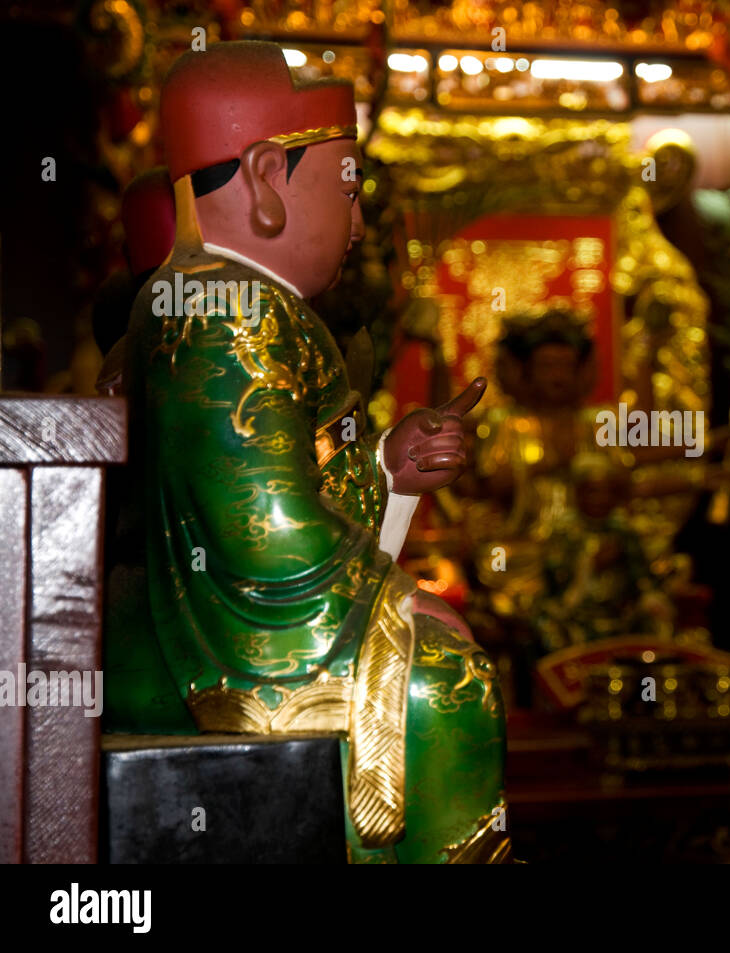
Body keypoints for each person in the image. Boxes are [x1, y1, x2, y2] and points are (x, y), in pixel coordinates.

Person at [103, 42, 510, 862]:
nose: (360, 223)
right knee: (443, 685)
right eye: (349, 188)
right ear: (262, 179)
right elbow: (264, 531)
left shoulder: (234, 299)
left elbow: (289, 488)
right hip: (187, 643)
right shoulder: (223, 307)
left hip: (186, 623)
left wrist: (388, 466)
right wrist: (388, 603)